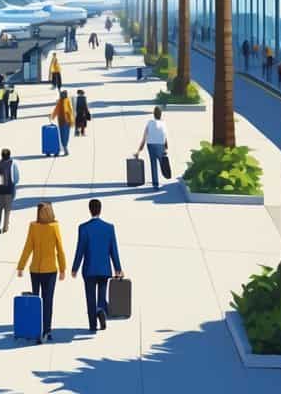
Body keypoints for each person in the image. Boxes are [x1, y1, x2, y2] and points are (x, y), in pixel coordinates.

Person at [71, 198, 124, 334]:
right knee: (101, 294)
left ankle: (92, 325)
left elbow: (80, 249)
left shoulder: (83, 228)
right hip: (104, 268)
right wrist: (118, 268)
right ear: (100, 210)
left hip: (89, 269)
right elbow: (114, 249)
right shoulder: (109, 228)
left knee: (90, 297)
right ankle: (100, 308)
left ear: (90, 210)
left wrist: (75, 268)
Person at [17, 202, 66, 343]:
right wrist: (63, 268)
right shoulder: (54, 227)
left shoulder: (33, 226)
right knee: (48, 300)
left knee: (36, 301)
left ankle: (36, 328)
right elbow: (60, 249)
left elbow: (28, 247)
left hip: (35, 270)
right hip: (50, 270)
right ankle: (47, 330)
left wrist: (21, 266)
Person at [136, 106, 169, 190]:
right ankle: (165, 174)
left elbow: (144, 137)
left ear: (154, 114)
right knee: (162, 162)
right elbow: (165, 136)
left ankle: (155, 184)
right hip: (160, 145)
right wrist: (166, 147)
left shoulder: (149, 123)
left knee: (153, 163)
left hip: (150, 145)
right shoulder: (163, 123)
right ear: (161, 115)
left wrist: (139, 150)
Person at [0, 148, 20, 235]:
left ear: (1, 155)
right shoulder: (13, 164)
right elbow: (16, 179)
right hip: (9, 191)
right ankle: (5, 227)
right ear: (9, 155)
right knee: (7, 211)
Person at [51, 91, 74, 155]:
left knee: (64, 135)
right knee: (64, 135)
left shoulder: (64, 101)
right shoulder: (63, 101)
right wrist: (52, 116)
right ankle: (65, 147)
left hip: (64, 121)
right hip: (64, 121)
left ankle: (65, 147)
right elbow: (69, 111)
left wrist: (52, 116)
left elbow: (69, 111)